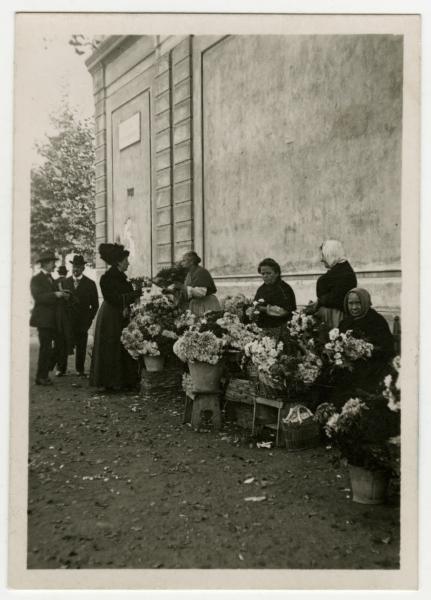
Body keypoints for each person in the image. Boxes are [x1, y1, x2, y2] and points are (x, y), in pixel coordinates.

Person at [330, 287, 395, 408]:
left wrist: (366, 350)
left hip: (371, 367)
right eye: (351, 303)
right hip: (348, 366)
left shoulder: (376, 321)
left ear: (365, 302)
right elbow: (337, 344)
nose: (354, 307)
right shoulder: (346, 322)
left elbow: (387, 349)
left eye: (358, 303)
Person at [89, 243, 140, 392]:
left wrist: (135, 292)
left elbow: (126, 295)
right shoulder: (107, 278)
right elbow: (113, 298)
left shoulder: (121, 277)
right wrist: (134, 294)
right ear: (119, 262)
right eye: (126, 261)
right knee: (111, 346)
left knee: (123, 344)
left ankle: (124, 380)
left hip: (120, 313)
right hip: (111, 315)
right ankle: (110, 381)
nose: (128, 263)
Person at [30, 251, 71, 385]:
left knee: (58, 345)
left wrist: (63, 294)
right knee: (45, 348)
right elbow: (39, 297)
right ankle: (41, 377)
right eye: (53, 263)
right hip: (43, 321)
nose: (55, 265)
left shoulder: (51, 278)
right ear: (46, 264)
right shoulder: (36, 279)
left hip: (53, 321)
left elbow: (51, 295)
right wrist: (56, 295)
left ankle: (44, 373)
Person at [305, 239, 357, 329]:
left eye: (323, 255)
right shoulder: (342, 270)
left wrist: (319, 303)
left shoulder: (344, 273)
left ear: (331, 253)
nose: (321, 259)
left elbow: (336, 298)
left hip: (335, 318)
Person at [62, 255, 99, 376]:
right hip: (67, 321)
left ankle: (80, 369)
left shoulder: (90, 284)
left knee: (81, 346)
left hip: (82, 322)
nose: (75, 269)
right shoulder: (64, 282)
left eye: (78, 267)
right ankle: (61, 369)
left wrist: (88, 320)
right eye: (74, 266)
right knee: (64, 343)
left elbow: (95, 305)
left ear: (83, 268)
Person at [253, 257, 296, 334]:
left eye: (269, 273)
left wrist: (263, 309)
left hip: (280, 327)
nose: (265, 276)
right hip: (262, 327)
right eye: (263, 273)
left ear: (277, 273)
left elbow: (284, 311)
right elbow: (255, 304)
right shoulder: (261, 289)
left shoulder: (284, 288)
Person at [179, 251, 221, 316]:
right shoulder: (189, 273)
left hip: (206, 304)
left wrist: (182, 287)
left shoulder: (201, 272)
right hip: (196, 304)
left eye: (184, 260)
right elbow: (188, 291)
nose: (182, 263)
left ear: (191, 262)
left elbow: (201, 292)